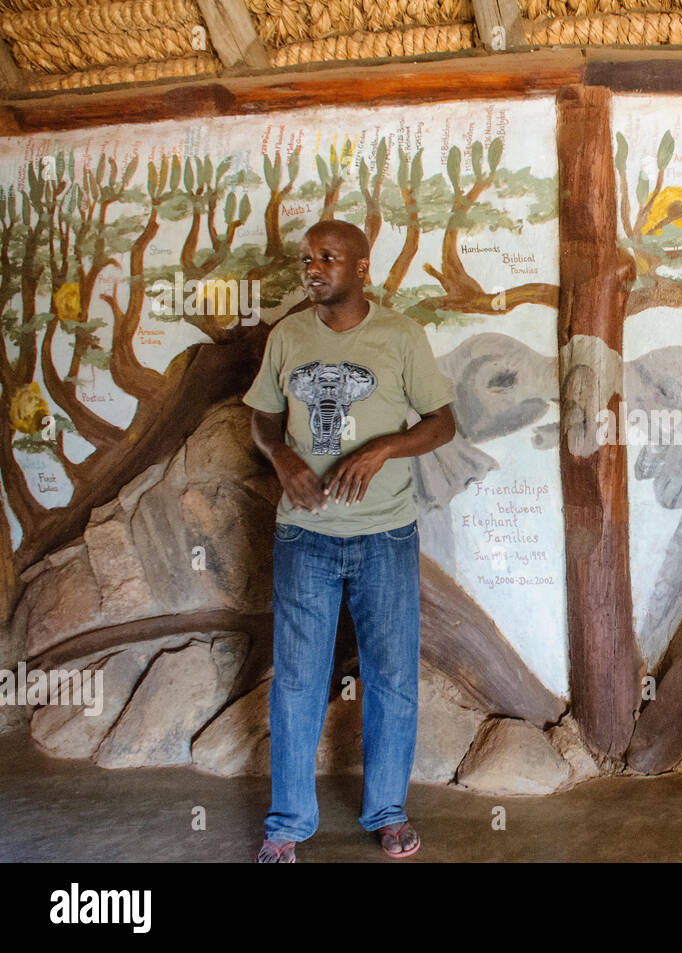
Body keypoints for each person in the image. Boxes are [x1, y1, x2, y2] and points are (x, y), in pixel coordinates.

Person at [242, 219, 457, 862]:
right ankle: (287, 825)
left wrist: (385, 447)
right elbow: (261, 417)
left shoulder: (399, 335)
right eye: (307, 259)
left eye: (328, 258)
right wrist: (280, 456)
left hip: (386, 533)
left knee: (391, 677)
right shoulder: (287, 336)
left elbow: (444, 422)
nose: (313, 268)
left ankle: (387, 811)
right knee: (298, 682)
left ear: (362, 268)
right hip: (304, 535)